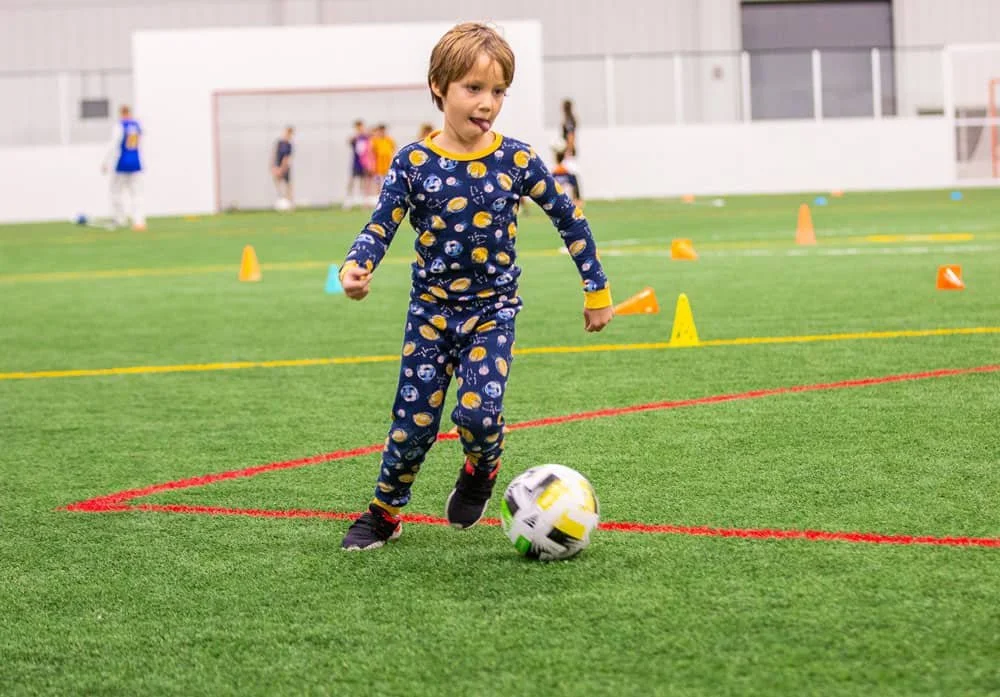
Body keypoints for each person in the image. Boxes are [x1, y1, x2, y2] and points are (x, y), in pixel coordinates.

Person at [337, 22, 615, 551]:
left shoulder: (516, 159)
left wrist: (596, 290)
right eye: (473, 88)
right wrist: (357, 265)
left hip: (493, 311)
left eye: (498, 92)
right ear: (438, 86)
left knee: (478, 414)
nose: (487, 102)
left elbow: (570, 218)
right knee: (412, 423)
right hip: (431, 313)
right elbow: (381, 223)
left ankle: (481, 468)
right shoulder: (412, 163)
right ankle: (383, 514)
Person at [101, 104, 146, 230]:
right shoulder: (137, 125)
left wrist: (105, 162)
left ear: (121, 113)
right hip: (136, 163)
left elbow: (113, 144)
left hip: (121, 163)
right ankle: (139, 221)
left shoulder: (120, 126)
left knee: (115, 192)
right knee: (137, 193)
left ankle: (119, 219)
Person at [344, 119, 374, 209]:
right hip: (356, 162)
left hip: (365, 163)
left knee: (365, 183)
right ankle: (348, 201)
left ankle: (365, 203)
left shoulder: (367, 137)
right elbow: (349, 141)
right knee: (352, 181)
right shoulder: (355, 138)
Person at [559, 98, 584, 205]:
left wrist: (568, 150)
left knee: (571, 173)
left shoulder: (569, 120)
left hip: (568, 150)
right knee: (569, 173)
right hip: (568, 149)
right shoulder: (570, 119)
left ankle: (577, 198)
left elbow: (570, 136)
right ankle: (574, 197)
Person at [271, 125, 294, 209]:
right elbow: (274, 154)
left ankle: (290, 204)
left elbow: (286, 158)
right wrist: (274, 166)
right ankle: (281, 202)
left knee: (288, 186)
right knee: (279, 184)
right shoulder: (280, 143)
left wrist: (282, 168)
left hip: (285, 168)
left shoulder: (289, 145)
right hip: (277, 167)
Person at [369, 123, 396, 191]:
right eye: (380, 131)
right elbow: (372, 152)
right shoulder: (375, 140)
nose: (382, 132)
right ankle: (377, 193)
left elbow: (393, 149)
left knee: (387, 180)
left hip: (387, 164)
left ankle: (385, 192)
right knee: (377, 180)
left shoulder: (389, 140)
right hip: (378, 164)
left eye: (383, 131)